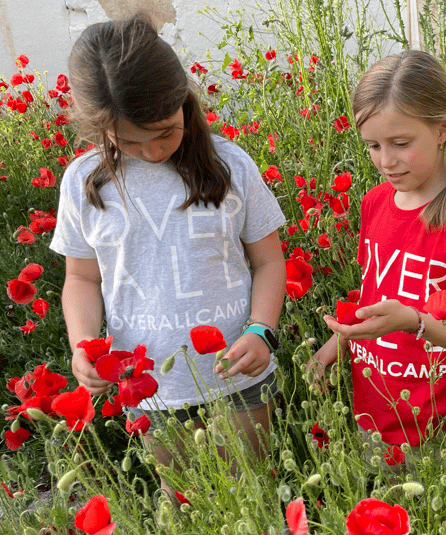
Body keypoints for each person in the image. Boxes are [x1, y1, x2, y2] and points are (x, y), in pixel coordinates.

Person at [50, 13, 286, 490]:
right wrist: (83, 345)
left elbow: (268, 261)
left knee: (254, 491)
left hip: (238, 369)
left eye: (165, 132)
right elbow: (82, 278)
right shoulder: (84, 182)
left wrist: (262, 330)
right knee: (186, 499)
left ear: (183, 100)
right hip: (150, 384)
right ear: (99, 126)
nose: (153, 151)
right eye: (128, 141)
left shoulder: (229, 165)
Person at [308, 50, 446, 522]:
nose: (386, 161)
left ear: (442, 129)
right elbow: (373, 295)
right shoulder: (375, 203)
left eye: (400, 143)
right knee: (389, 519)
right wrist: (335, 346)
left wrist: (414, 322)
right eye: (373, 146)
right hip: (375, 408)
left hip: (439, 420)